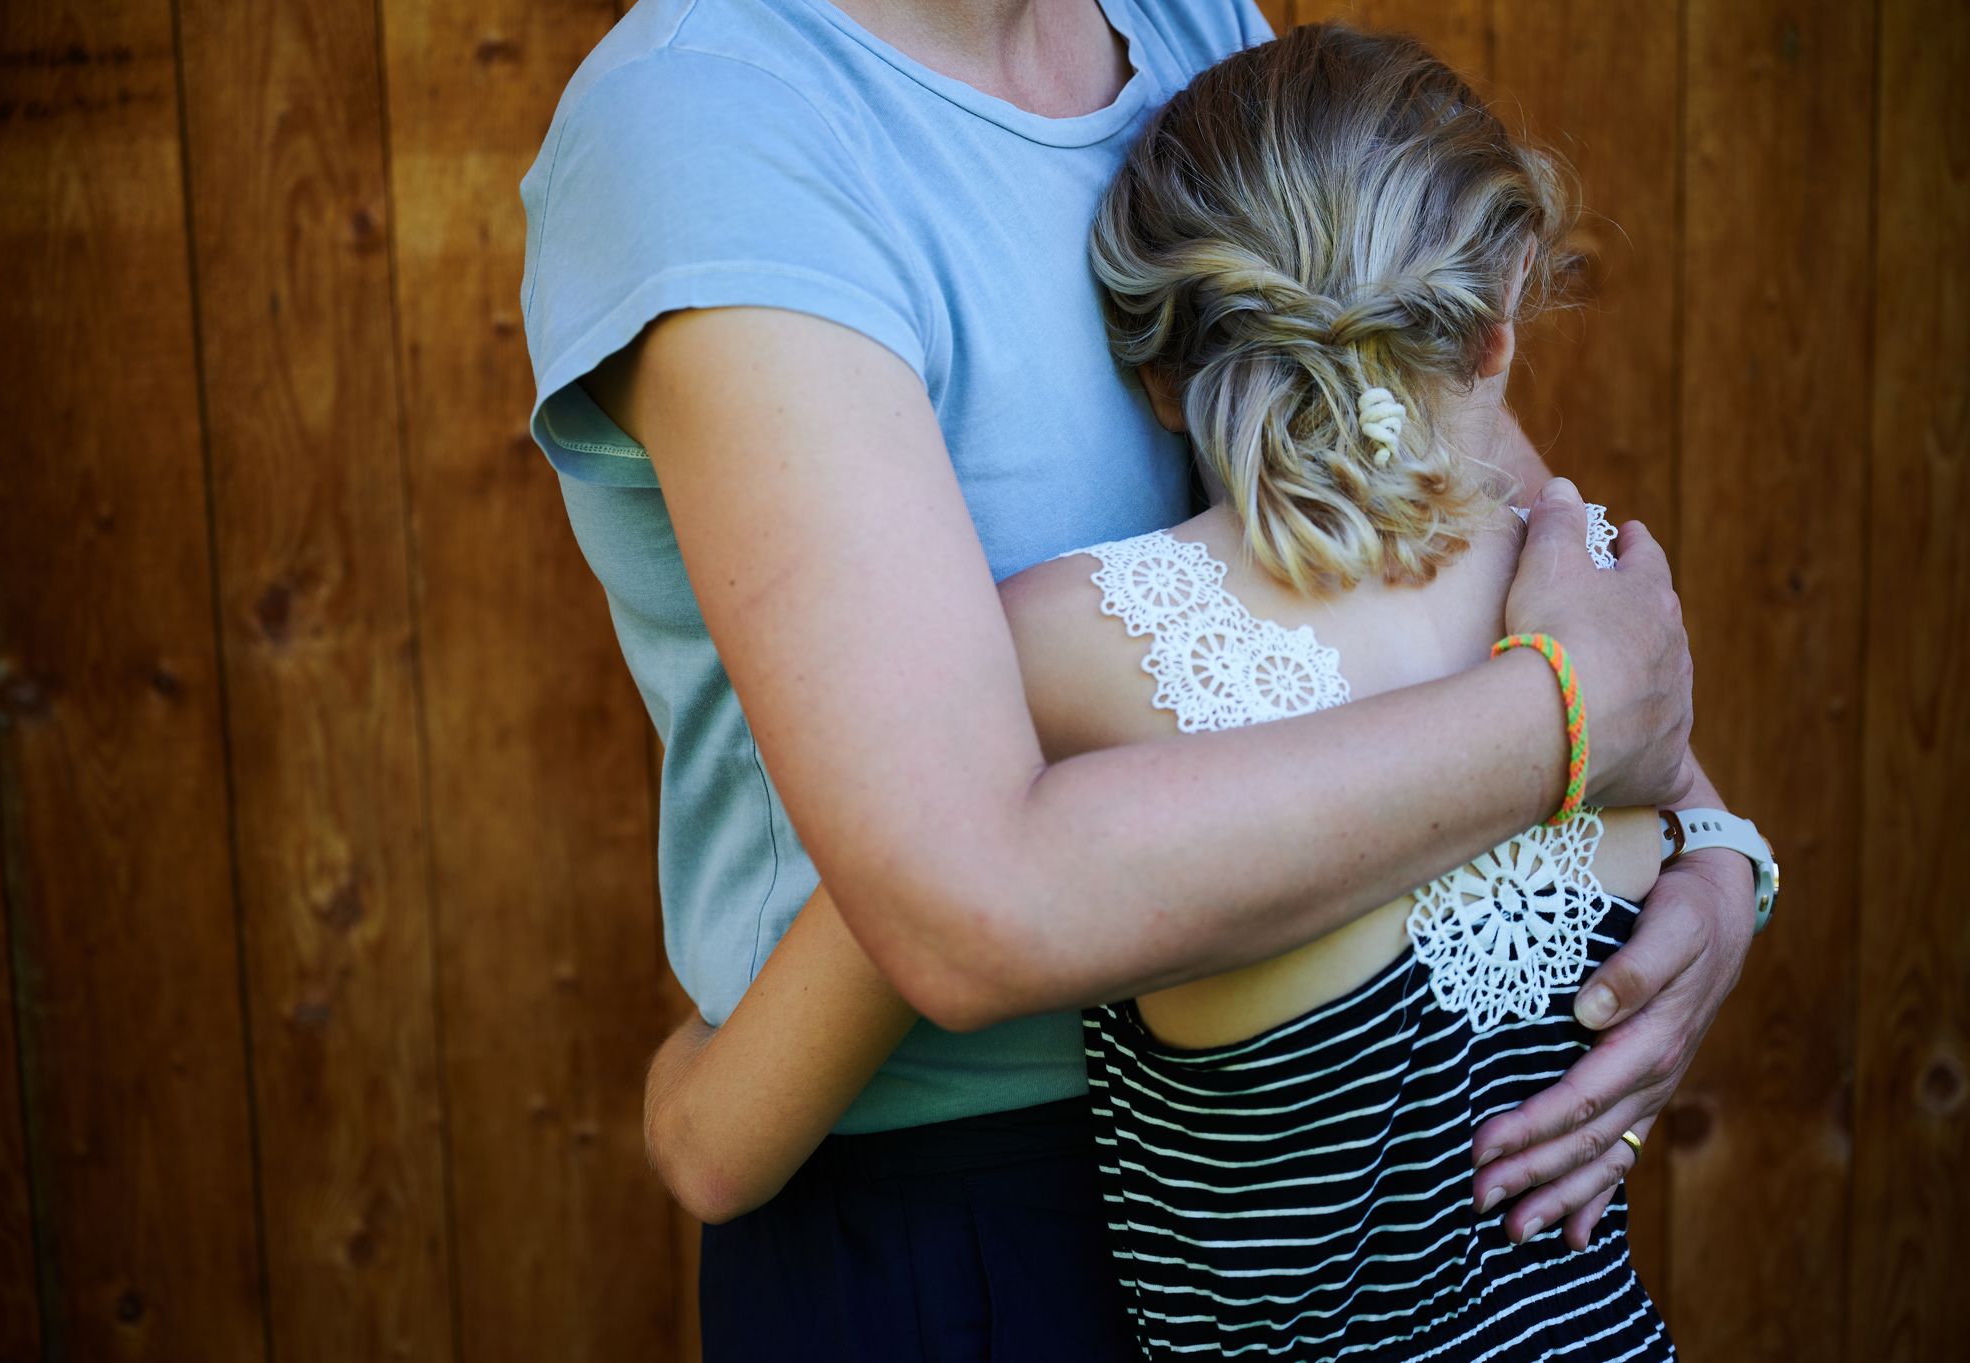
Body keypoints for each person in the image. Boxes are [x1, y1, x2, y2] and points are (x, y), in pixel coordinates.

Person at [519, 1, 1758, 1357]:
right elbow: (967, 905)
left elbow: (1446, 468)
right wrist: (1578, 725)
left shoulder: (1183, 17)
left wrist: (1716, 861)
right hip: (967, 1220)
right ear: (1506, 311)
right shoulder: (716, 124)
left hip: (1320, 1175)